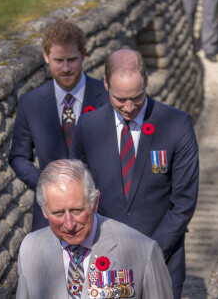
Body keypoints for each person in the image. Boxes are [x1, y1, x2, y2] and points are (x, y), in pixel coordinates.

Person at [70, 49, 199, 299]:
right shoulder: (88, 127)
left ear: (146, 81)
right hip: (105, 260)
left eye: (137, 98)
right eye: (120, 99)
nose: (129, 107)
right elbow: (79, 193)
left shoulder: (177, 124)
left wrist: (150, 252)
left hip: (163, 257)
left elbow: (183, 202)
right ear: (106, 84)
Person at [16, 159, 174, 299]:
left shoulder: (142, 250)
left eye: (77, 210)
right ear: (44, 210)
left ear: (95, 202)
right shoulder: (30, 250)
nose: (69, 225)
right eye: (58, 213)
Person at [9, 21, 109, 231]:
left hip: (103, 213)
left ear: (83, 54)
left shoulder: (108, 98)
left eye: (72, 60)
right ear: (46, 57)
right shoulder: (30, 103)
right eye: (58, 60)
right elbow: (18, 157)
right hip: (49, 220)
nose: (65, 68)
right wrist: (47, 185)